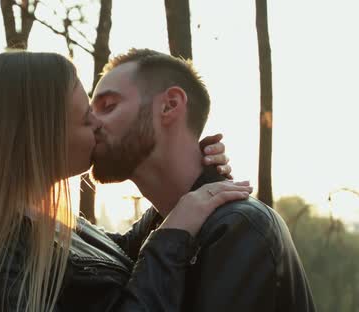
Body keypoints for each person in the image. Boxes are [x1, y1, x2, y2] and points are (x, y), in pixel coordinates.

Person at [0, 51, 252, 311]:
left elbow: (115, 261)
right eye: (85, 118)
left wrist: (189, 185)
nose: (98, 124)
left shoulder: (43, 223)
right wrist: (173, 234)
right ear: (38, 135)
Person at [90, 48, 316, 311]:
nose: (92, 124)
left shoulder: (239, 229)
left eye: (108, 107)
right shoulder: (150, 236)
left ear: (170, 105)